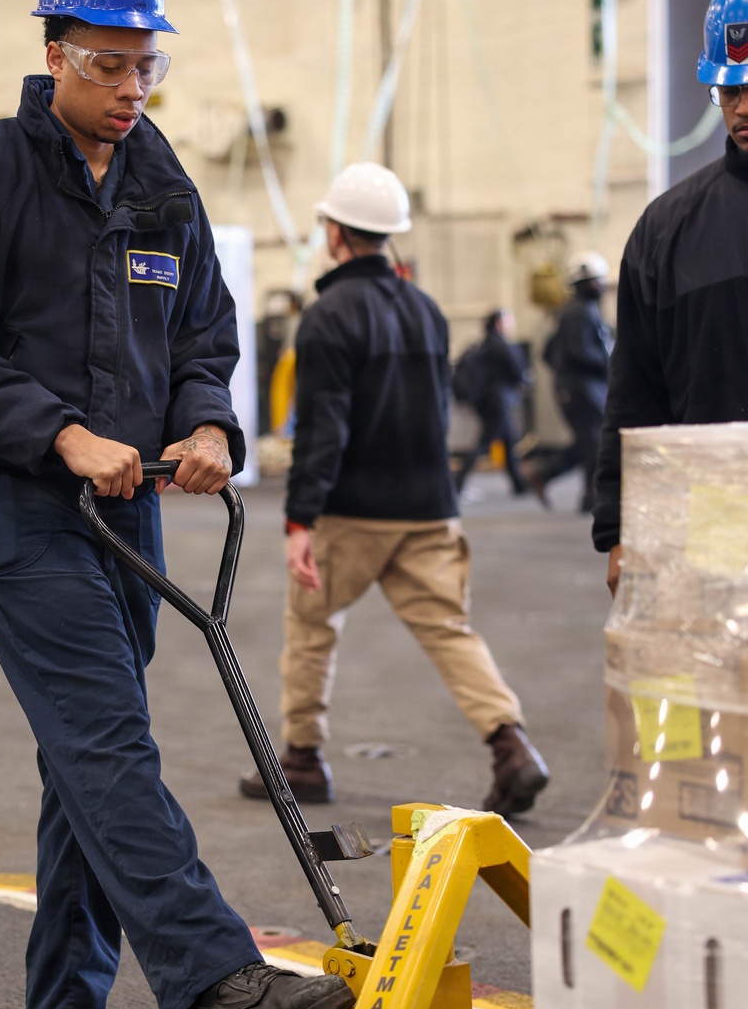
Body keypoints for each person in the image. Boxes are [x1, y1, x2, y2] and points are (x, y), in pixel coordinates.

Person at [0, 0, 352, 1009]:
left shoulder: (161, 183)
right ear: (53, 54)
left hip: (131, 506)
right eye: (107, 68)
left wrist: (207, 425)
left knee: (80, 760)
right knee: (106, 739)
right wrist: (58, 431)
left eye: (146, 68)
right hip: (15, 501)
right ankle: (220, 982)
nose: (131, 91)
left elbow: (206, 333)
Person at [238, 163, 549, 817]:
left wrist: (300, 521)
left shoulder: (326, 317)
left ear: (335, 233)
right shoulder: (427, 311)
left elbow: (325, 429)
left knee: (312, 629)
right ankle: (511, 745)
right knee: (449, 631)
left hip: (351, 514)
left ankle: (301, 760)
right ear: (389, 236)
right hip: (430, 509)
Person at [594, 0, 748, 593]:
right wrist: (620, 527)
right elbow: (636, 391)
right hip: (706, 520)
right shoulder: (667, 230)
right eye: (729, 90)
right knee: (707, 691)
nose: (742, 106)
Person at [527, 253, 613, 513]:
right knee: (593, 442)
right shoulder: (578, 313)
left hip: (582, 385)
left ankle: (546, 475)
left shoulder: (583, 311)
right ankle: (589, 497)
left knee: (587, 441)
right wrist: (607, 361)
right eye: (596, 281)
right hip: (580, 387)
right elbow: (578, 351)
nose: (600, 287)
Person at [453, 308, 530, 497]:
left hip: (488, 401)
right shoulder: (500, 345)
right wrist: (525, 380)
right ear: (499, 323)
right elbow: (517, 370)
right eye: (510, 321)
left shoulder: (483, 345)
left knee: (508, 440)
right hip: (498, 401)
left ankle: (518, 484)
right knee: (485, 443)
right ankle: (456, 483)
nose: (512, 325)